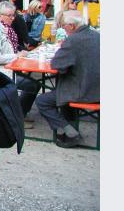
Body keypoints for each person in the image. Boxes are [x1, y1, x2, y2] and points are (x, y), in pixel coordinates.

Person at [34, 10, 100, 148]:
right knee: (60, 94)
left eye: (64, 25)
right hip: (97, 89)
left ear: (71, 26)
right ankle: (70, 125)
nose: (63, 28)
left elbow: (57, 65)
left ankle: (70, 132)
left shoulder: (73, 40)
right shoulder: (97, 36)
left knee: (42, 101)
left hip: (82, 91)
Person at [0, 1, 39, 123]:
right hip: (2, 72)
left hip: (11, 67)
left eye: (13, 15)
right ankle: (17, 117)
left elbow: (13, 47)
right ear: (0, 16)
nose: (13, 18)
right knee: (32, 84)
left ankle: (20, 114)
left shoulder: (7, 29)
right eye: (9, 15)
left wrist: (22, 52)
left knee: (35, 81)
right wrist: (17, 56)